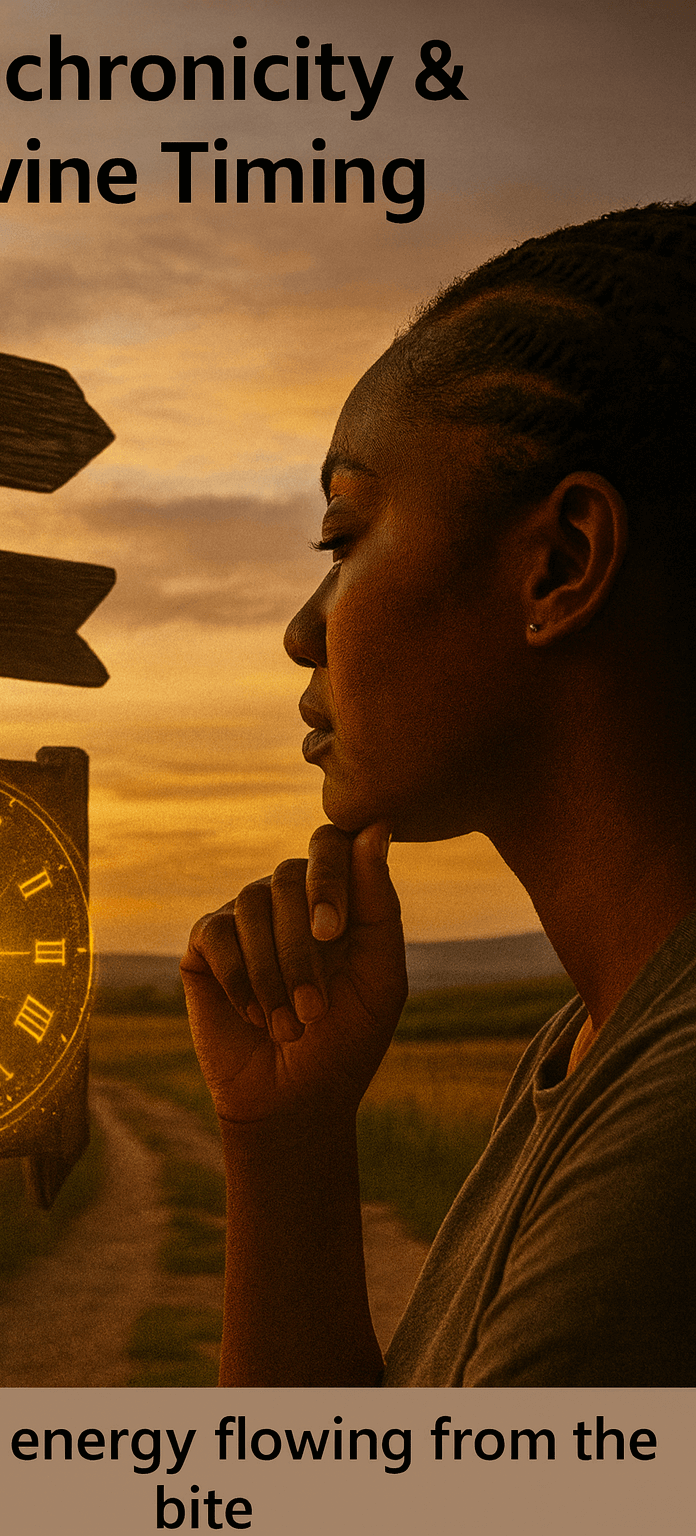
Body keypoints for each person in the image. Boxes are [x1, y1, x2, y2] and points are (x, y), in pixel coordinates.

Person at [180, 202, 696, 1387]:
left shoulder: (671, 1134)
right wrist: (284, 1142)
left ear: (560, 565)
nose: (301, 631)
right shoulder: (590, 1046)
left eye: (340, 538)